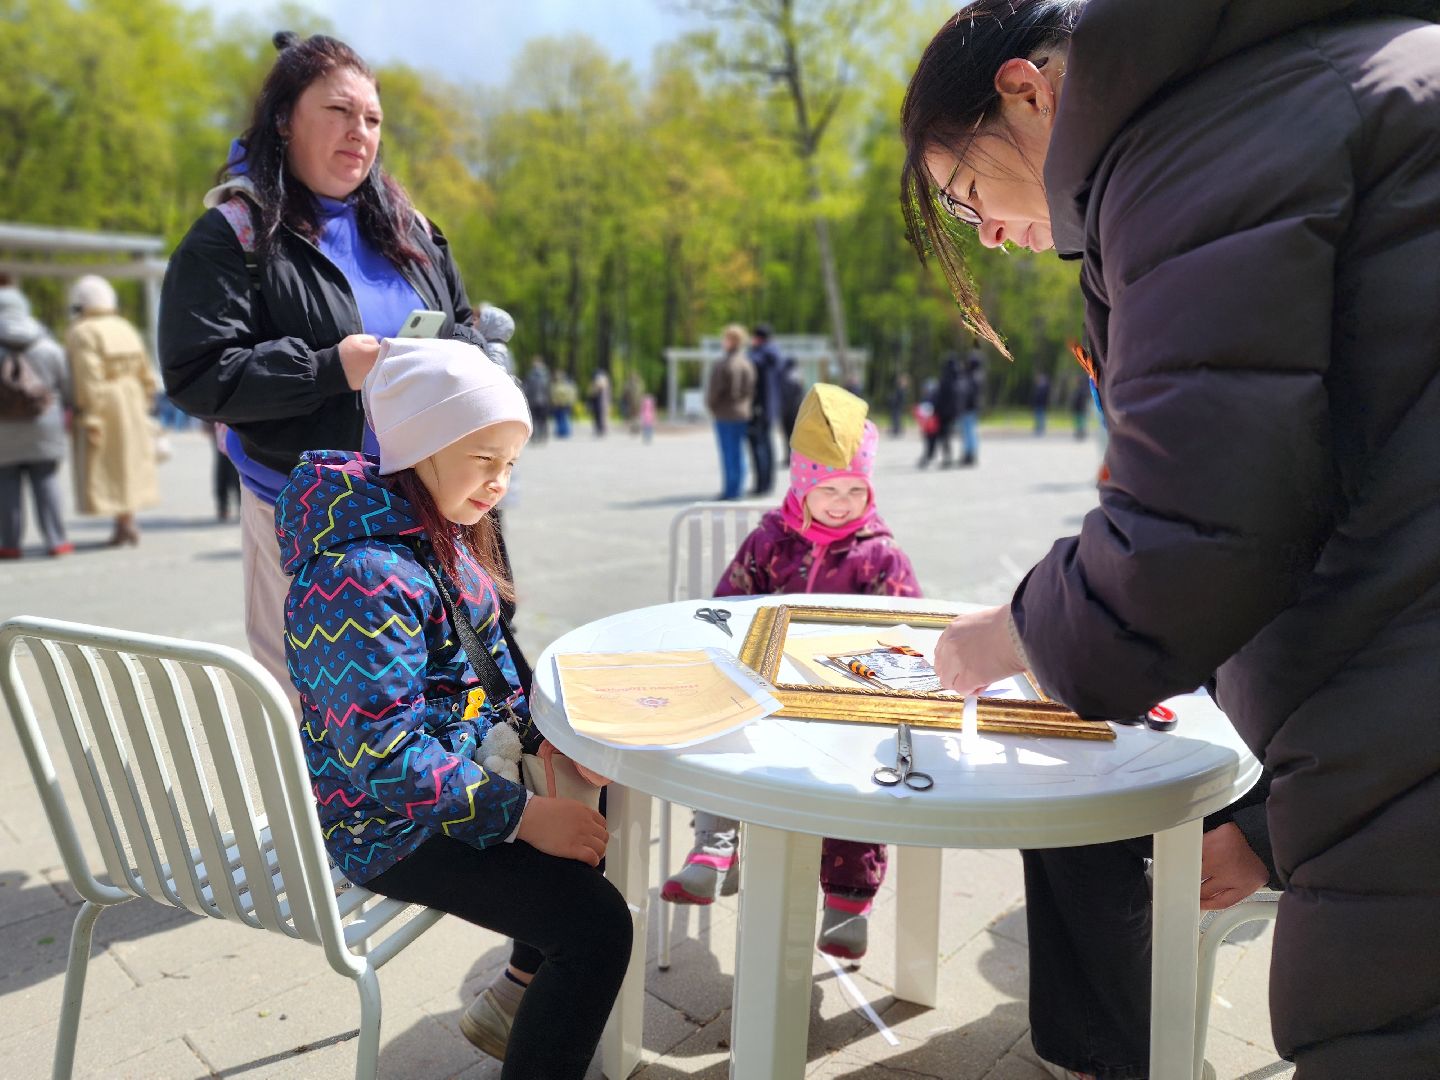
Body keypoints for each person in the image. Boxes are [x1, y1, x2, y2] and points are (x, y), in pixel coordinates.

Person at [901, 2, 1440, 1074]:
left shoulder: (1196, 144)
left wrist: (1015, 631)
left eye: (967, 198)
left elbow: (1195, 532)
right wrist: (1279, 831)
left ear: (1025, 89)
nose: (989, 233)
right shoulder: (1314, 76)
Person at [276, 338, 630, 1077]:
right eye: (482, 458)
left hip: (458, 775)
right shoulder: (358, 574)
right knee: (595, 927)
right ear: (419, 443)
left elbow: (491, 663)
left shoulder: (439, 531)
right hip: (386, 826)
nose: (499, 482)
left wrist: (540, 739)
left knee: (599, 790)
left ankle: (514, 1002)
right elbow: (381, 755)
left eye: (510, 464)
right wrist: (527, 816)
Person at [159, 32, 496, 714]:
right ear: (285, 120)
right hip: (300, 514)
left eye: (372, 119)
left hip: (426, 509)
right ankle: (317, 825)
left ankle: (427, 820)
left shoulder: (414, 233)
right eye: (339, 111)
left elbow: (462, 325)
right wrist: (329, 368)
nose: (360, 132)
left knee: (435, 707)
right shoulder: (234, 235)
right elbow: (199, 373)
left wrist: (462, 359)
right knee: (320, 716)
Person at [662, 384, 921, 959]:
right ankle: (714, 845)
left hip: (845, 700)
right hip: (769, 691)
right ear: (802, 484)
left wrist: (880, 650)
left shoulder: (878, 555)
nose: (841, 503)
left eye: (856, 490)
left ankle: (848, 899)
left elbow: (909, 626)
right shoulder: (770, 541)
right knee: (719, 726)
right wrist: (738, 634)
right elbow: (726, 603)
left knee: (860, 779)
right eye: (827, 489)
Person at [65, 275, 159, 547]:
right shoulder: (124, 326)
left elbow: (86, 377)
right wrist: (146, 399)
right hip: (132, 398)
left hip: (104, 402)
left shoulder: (82, 331)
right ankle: (126, 521)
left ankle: (124, 523)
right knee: (128, 464)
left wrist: (89, 414)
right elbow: (145, 369)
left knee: (109, 466)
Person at [0, 282, 73, 558]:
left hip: (2, 429)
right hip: (45, 423)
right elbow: (65, 384)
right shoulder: (47, 344)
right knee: (46, 480)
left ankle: (9, 544)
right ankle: (57, 541)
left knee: (5, 485)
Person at [705, 324, 755, 501]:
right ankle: (738, 489)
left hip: (725, 413)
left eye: (725, 338)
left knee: (728, 453)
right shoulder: (747, 363)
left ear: (732, 341)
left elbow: (716, 391)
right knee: (739, 453)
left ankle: (730, 490)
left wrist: (711, 405)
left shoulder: (724, 363)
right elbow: (750, 389)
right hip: (742, 413)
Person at [747, 324, 782, 494]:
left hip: (759, 407)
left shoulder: (760, 356)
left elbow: (752, 361)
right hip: (770, 408)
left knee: (759, 447)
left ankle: (761, 485)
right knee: (767, 447)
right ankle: (767, 484)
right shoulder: (774, 354)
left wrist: (751, 349)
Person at [919, 353, 962, 467]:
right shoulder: (958, 379)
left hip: (942, 413)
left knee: (932, 436)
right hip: (953, 414)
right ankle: (947, 458)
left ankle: (929, 457)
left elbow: (939, 397)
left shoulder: (945, 379)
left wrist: (934, 410)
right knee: (946, 436)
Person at [959, 346, 984, 466]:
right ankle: (970, 453)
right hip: (972, 406)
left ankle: (969, 454)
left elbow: (966, 391)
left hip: (968, 406)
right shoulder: (977, 375)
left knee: (968, 431)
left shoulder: (972, 376)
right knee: (970, 430)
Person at [777, 354, 805, 464]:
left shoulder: (784, 377)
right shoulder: (797, 376)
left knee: (787, 436)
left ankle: (789, 457)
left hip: (786, 411)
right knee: (796, 437)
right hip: (797, 411)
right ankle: (797, 458)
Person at [523, 357, 551, 442]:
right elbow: (527, 388)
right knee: (535, 419)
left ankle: (542, 435)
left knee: (542, 419)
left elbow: (548, 388)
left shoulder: (545, 375)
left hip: (542, 401)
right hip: (535, 400)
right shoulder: (531, 375)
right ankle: (536, 436)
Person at [551, 371, 576, 438]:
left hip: (564, 404)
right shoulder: (559, 384)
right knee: (561, 418)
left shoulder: (561, 385)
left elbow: (556, 394)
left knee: (563, 418)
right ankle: (562, 431)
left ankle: (564, 431)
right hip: (561, 404)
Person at [587, 368, 610, 436]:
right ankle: (599, 429)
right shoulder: (594, 383)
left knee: (601, 416)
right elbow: (590, 393)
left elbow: (604, 392)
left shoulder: (604, 382)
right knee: (597, 416)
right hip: (597, 403)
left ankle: (601, 429)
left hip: (601, 403)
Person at [888, 371, 910, 437]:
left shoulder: (902, 389)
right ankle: (896, 430)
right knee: (896, 417)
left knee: (897, 417)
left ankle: (897, 430)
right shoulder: (900, 388)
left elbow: (900, 398)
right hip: (897, 405)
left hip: (898, 405)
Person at [1031, 371, 1051, 435]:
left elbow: (1043, 397)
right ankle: (1038, 429)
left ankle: (1041, 430)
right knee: (1038, 417)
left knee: (1040, 417)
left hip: (1041, 405)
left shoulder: (1043, 388)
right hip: (1038, 404)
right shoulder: (1039, 387)